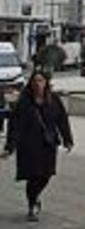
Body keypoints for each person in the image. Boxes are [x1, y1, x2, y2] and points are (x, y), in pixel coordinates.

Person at [2, 71, 73, 220]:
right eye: (35, 81)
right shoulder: (24, 101)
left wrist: (67, 139)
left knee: (46, 174)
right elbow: (15, 125)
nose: (38, 84)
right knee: (33, 175)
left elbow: (62, 120)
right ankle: (32, 204)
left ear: (46, 82)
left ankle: (35, 197)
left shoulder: (53, 99)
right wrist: (10, 147)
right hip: (28, 144)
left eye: (41, 80)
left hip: (47, 144)